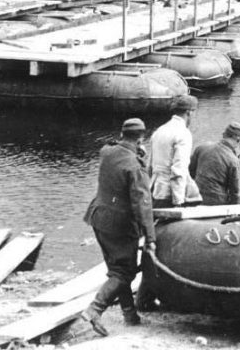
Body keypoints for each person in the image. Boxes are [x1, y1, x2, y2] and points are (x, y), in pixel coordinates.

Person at [81, 118, 155, 337]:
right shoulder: (134, 166)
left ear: (123, 134)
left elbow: (116, 150)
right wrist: (150, 237)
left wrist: (138, 155)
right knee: (124, 271)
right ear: (142, 138)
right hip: (119, 225)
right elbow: (142, 203)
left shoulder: (107, 151)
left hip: (98, 217)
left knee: (117, 269)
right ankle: (94, 310)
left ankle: (129, 314)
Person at [148, 95, 201, 208]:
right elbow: (179, 169)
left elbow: (150, 166)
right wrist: (178, 201)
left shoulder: (159, 130)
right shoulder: (183, 133)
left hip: (155, 190)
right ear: (189, 112)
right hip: (169, 194)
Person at [189, 121, 240, 205]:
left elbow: (190, 173)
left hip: (196, 198)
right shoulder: (233, 160)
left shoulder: (202, 148)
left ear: (224, 134)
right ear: (238, 139)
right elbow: (236, 192)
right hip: (217, 203)